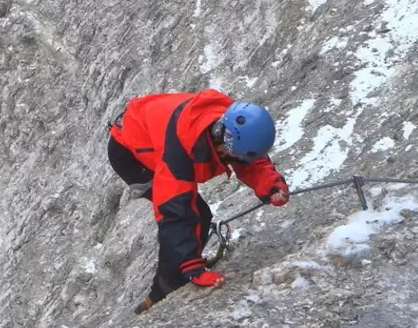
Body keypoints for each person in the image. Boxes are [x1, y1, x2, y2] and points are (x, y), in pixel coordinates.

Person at [108, 90, 289, 311]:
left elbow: (251, 160)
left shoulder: (229, 123)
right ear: (223, 141)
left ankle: (180, 271)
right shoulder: (181, 147)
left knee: (198, 215)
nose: (239, 160)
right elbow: (174, 210)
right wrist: (193, 268)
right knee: (196, 214)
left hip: (148, 128)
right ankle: (164, 289)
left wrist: (272, 186)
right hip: (130, 154)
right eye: (236, 155)